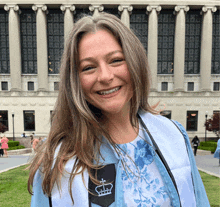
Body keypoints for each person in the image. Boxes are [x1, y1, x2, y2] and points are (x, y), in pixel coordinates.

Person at [28, 13, 210, 207]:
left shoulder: (173, 135)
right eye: (88, 67)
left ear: (135, 63)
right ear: (75, 81)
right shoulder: (57, 159)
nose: (105, 76)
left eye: (116, 60)